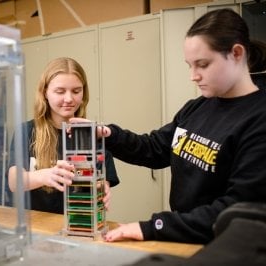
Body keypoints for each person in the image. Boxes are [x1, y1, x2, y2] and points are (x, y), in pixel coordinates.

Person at [71, 8, 266, 244]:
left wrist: (154, 226)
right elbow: (155, 148)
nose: (193, 76)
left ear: (236, 53)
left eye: (202, 64)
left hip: (224, 246)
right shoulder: (198, 107)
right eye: (189, 65)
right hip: (183, 238)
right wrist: (109, 134)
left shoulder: (258, 120)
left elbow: (234, 210)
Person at [8, 57, 120, 214]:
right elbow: (14, 182)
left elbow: (102, 183)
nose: (69, 99)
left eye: (76, 91)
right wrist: (45, 175)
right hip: (37, 225)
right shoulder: (26, 131)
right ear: (45, 92)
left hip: (79, 224)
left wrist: (103, 190)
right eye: (60, 91)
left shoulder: (95, 134)